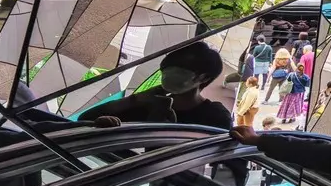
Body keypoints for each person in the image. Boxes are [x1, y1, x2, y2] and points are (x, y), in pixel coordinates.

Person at [78, 41, 231, 129]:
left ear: (203, 78)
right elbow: (84, 120)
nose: (169, 75)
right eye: (166, 69)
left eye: (181, 69)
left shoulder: (214, 117)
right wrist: (134, 100)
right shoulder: (147, 103)